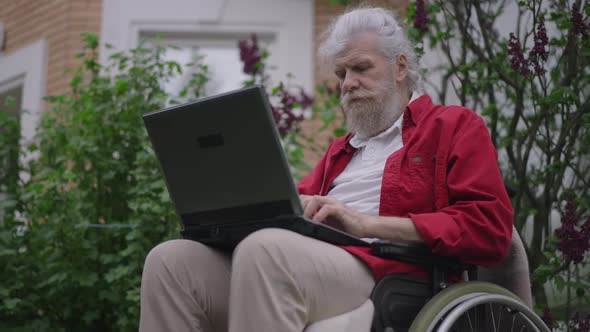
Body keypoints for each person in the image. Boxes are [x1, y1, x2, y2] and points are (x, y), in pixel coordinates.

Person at [139, 6, 513, 332]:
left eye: (361, 68)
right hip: (309, 264)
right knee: (171, 262)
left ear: (400, 67)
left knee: (265, 249)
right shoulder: (342, 150)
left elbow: (490, 227)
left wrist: (365, 224)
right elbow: (294, 205)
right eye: (341, 74)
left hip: (388, 269)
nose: (348, 83)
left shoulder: (453, 126)